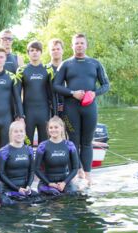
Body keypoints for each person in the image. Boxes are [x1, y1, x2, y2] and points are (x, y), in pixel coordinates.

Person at [53, 33, 110, 186]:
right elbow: (56, 86)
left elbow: (106, 85)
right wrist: (73, 93)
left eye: (81, 43)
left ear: (86, 45)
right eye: (76, 43)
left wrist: (94, 93)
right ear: (72, 46)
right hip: (70, 108)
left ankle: (88, 174)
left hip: (89, 108)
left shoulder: (95, 63)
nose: (79, 45)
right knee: (73, 141)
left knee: (87, 142)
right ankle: (76, 171)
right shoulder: (65, 64)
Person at [16, 41, 57, 146]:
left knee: (44, 144)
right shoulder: (21, 70)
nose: (34, 53)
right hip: (28, 113)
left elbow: (52, 94)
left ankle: (42, 162)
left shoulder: (48, 69)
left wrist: (55, 115)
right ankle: (27, 162)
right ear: (28, 53)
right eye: (32, 50)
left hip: (44, 112)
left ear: (41, 52)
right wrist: (20, 115)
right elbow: (17, 95)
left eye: (37, 50)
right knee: (26, 143)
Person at [35, 116, 79, 195]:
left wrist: (64, 183)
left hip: (64, 182)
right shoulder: (43, 146)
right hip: (47, 183)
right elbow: (36, 169)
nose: (53, 130)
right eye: (51, 128)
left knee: (74, 195)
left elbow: (75, 168)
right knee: (54, 195)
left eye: (56, 127)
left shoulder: (69, 145)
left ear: (62, 128)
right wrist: (49, 183)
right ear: (48, 130)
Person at [0, 121, 36, 204]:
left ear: (25, 133)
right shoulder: (3, 151)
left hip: (24, 189)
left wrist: (28, 186)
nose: (19, 134)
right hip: (8, 190)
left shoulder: (29, 150)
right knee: (13, 205)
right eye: (16, 131)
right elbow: (1, 174)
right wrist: (17, 189)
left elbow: (32, 171)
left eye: (21, 131)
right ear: (11, 133)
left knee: (40, 200)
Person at [48, 38, 65, 117]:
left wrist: (65, 104)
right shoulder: (45, 69)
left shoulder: (68, 68)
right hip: (49, 110)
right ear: (49, 52)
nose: (55, 51)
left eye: (58, 49)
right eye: (53, 49)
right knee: (50, 129)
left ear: (62, 51)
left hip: (67, 109)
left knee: (69, 128)